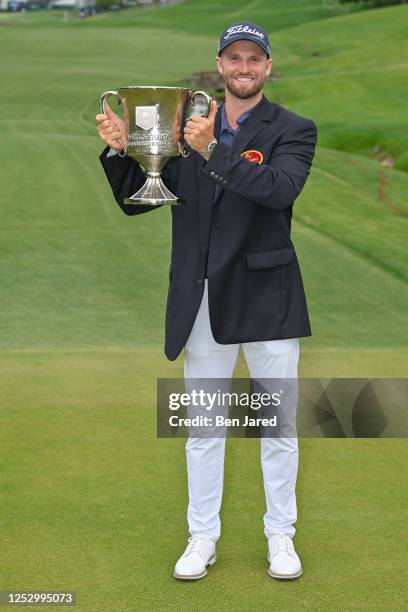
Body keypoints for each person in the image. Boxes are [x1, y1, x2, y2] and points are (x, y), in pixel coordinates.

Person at [96, 21, 318, 581]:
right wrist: (120, 150)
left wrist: (214, 150)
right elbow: (138, 200)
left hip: (267, 297)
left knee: (279, 428)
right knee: (204, 429)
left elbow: (279, 191)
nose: (244, 68)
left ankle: (280, 537)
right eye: (233, 58)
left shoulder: (293, 129)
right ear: (219, 66)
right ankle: (202, 537)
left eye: (254, 59)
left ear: (268, 67)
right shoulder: (182, 122)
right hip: (199, 300)